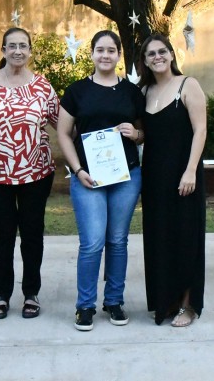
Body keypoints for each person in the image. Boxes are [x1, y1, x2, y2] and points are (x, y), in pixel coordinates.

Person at [0, 27, 59, 320]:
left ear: (30, 51)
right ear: (3, 50)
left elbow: (64, 125)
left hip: (36, 173)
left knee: (32, 235)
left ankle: (31, 293)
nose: (18, 51)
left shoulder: (43, 86)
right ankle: (2, 294)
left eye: (23, 46)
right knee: (2, 236)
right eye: (12, 46)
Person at [57, 30, 144, 331]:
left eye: (111, 50)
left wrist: (137, 134)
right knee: (92, 243)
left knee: (118, 241)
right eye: (99, 50)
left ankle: (114, 301)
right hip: (88, 177)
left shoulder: (132, 92)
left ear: (119, 55)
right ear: (91, 54)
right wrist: (78, 169)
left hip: (126, 175)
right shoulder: (77, 91)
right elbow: (63, 135)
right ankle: (84, 306)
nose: (105, 55)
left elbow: (143, 131)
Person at [137, 34, 207, 327]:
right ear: (144, 61)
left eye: (162, 51)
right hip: (153, 177)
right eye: (151, 53)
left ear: (171, 54)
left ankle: (188, 306)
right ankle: (166, 301)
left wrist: (190, 170)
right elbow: (144, 134)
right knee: (159, 238)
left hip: (184, 175)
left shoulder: (188, 85)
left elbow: (201, 130)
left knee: (186, 239)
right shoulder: (143, 91)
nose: (157, 57)